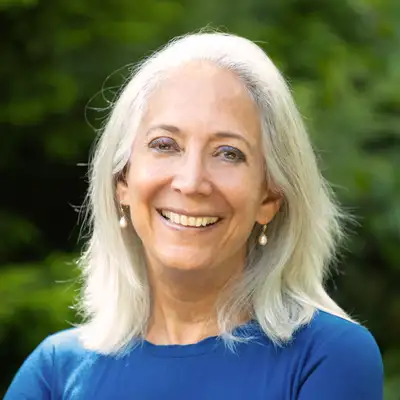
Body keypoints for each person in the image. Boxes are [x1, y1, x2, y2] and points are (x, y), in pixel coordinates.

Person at [5, 32, 383, 399]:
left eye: (228, 153)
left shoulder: (328, 357)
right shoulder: (56, 371)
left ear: (269, 197)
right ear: (122, 180)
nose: (191, 182)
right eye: (165, 145)